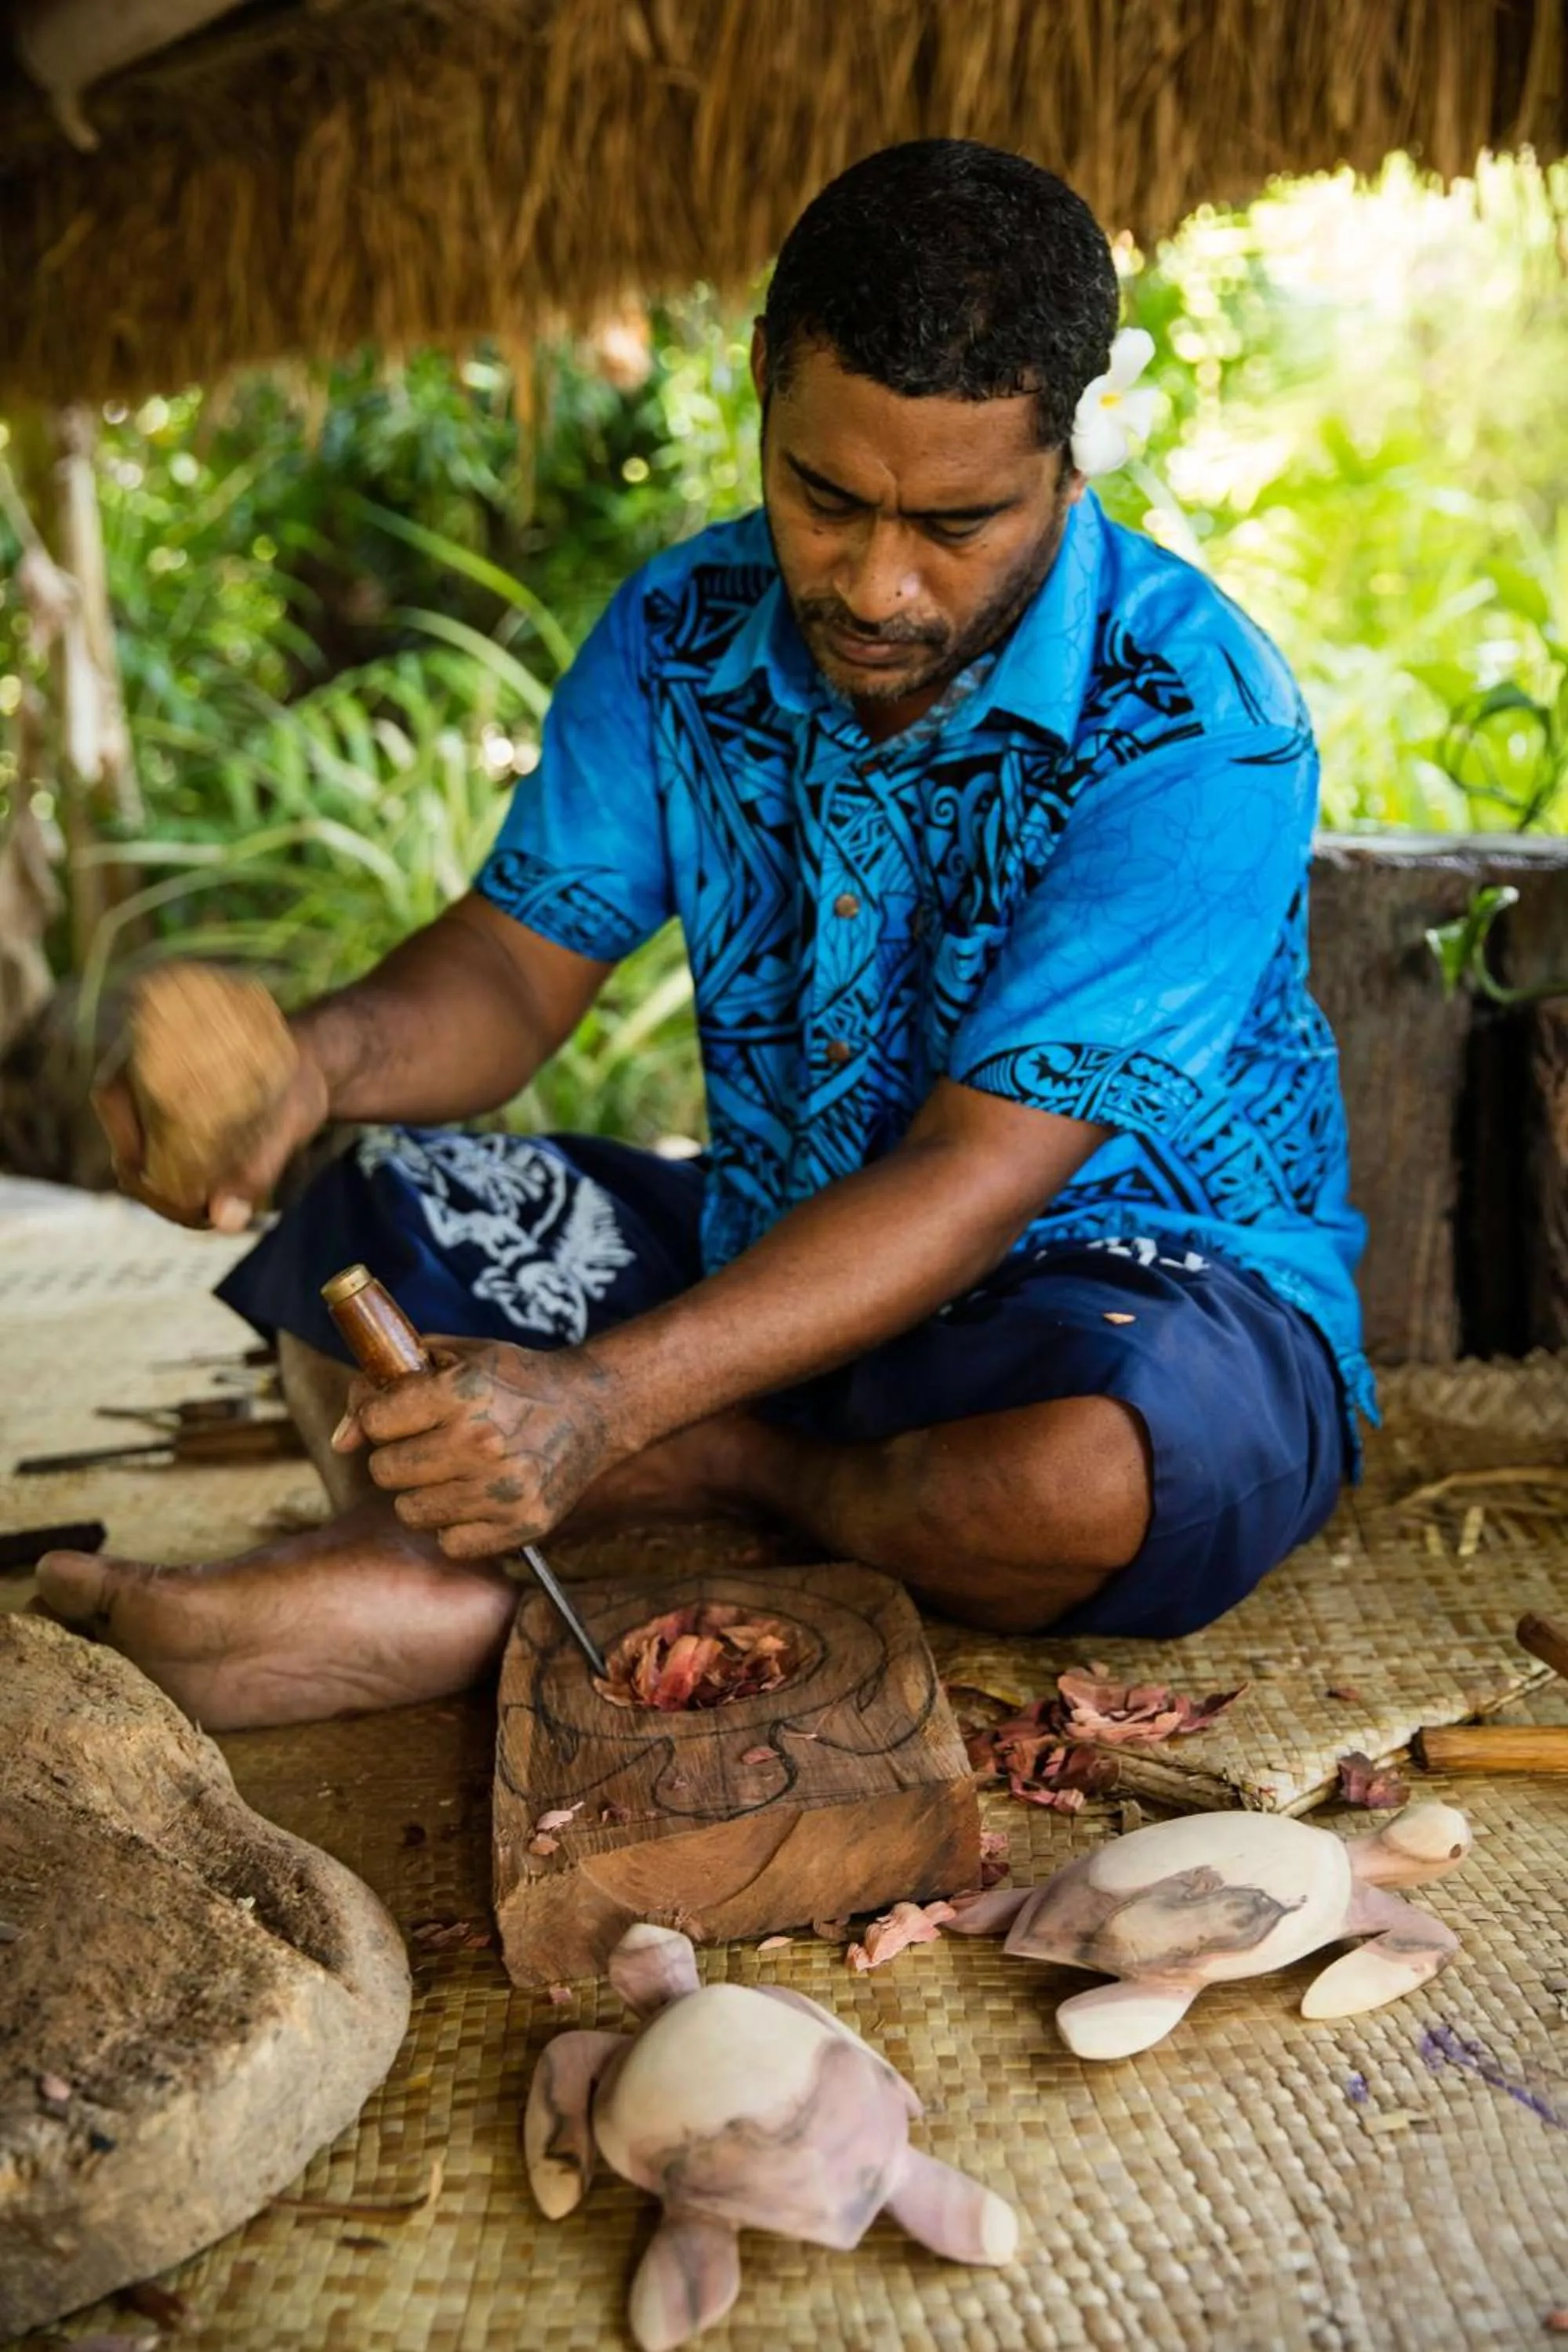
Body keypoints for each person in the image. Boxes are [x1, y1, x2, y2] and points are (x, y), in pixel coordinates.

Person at [38, 139, 1371, 1730]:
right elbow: (514, 968)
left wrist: (612, 1400)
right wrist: (308, 1067)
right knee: (379, 1224)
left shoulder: (1194, 720)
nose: (876, 583)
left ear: (1071, 456)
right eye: (824, 497)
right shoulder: (680, 629)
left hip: (1115, 1283)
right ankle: (636, 1507)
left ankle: (699, 1480)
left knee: (1080, 1480)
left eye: (956, 522)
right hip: (775, 1252)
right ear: (759, 382)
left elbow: (969, 1178)